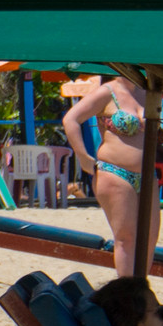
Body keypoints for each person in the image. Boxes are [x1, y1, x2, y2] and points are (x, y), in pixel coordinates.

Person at [60, 76, 147, 275]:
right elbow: (71, 119)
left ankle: (138, 288)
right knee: (126, 238)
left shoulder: (148, 93)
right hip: (115, 172)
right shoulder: (107, 92)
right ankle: (127, 294)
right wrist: (83, 157)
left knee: (149, 237)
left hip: (147, 173)